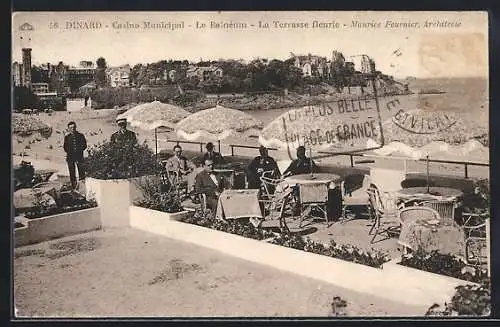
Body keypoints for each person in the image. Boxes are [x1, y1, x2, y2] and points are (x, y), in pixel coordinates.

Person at [63, 121, 87, 189]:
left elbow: (84, 145)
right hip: (70, 158)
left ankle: (82, 187)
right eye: (71, 128)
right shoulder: (67, 137)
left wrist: (78, 152)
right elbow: (65, 147)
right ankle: (74, 187)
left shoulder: (81, 135)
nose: (72, 129)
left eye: (73, 127)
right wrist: (71, 153)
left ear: (76, 127)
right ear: (68, 128)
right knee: (72, 173)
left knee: (81, 172)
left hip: (79, 157)